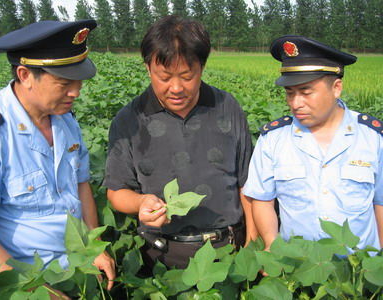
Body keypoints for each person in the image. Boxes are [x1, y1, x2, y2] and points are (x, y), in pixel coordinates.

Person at [104, 15, 257, 270]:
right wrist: (141, 203)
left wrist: (252, 242)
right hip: (162, 257)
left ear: (202, 67)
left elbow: (248, 183)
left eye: (187, 76)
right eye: (164, 77)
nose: (176, 88)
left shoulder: (227, 107)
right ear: (148, 68)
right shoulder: (128, 120)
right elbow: (116, 191)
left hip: (229, 251)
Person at [0, 20, 115, 293]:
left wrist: (92, 248)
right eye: (64, 82)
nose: (76, 92)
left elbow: (81, 185)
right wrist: (41, 293)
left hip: (78, 269)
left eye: (78, 81)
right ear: (25, 75)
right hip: (25, 282)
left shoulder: (65, 120)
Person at [243, 35, 383, 253]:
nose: (296, 103)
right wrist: (272, 243)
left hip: (359, 273)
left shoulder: (372, 138)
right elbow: (262, 199)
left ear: (336, 88)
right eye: (290, 93)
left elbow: (380, 202)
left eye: (306, 92)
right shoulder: (273, 139)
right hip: (297, 267)